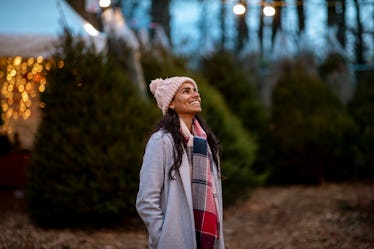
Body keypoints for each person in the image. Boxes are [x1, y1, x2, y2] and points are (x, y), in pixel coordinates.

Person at [136, 76, 225, 249]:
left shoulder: (206, 142)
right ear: (171, 104)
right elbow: (146, 199)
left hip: (209, 236)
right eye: (186, 91)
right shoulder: (161, 141)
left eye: (195, 90)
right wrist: (163, 236)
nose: (195, 95)